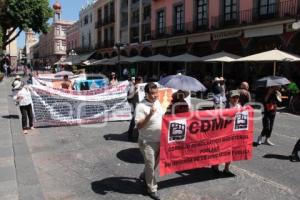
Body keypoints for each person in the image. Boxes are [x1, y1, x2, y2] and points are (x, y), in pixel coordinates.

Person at [135, 82, 163, 200]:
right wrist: (149, 115)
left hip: (160, 140)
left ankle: (144, 175)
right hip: (147, 142)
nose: (155, 95)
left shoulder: (157, 102)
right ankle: (152, 189)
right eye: (152, 93)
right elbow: (139, 126)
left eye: (156, 93)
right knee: (150, 166)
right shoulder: (140, 106)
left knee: (153, 164)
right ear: (146, 93)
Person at [212, 90, 241, 176]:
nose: (236, 99)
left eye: (237, 97)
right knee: (220, 150)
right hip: (224, 132)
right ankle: (215, 166)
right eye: (234, 97)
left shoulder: (239, 106)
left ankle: (226, 169)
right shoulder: (224, 106)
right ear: (229, 98)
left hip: (234, 132)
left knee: (231, 151)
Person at [127, 76, 143, 141]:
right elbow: (129, 97)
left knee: (140, 119)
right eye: (140, 81)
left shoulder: (141, 87)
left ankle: (139, 135)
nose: (141, 82)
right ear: (137, 81)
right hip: (134, 105)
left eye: (142, 81)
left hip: (140, 105)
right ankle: (130, 134)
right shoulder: (132, 87)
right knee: (134, 120)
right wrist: (135, 91)